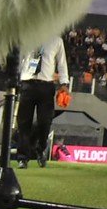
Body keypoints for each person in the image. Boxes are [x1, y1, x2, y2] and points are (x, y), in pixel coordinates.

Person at [16, 35, 70, 168]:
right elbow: (19, 59)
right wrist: (16, 78)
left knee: (45, 122)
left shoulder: (56, 40)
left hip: (46, 85)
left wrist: (64, 83)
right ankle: (23, 157)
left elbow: (62, 63)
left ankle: (40, 150)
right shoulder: (27, 37)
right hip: (27, 83)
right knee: (23, 123)